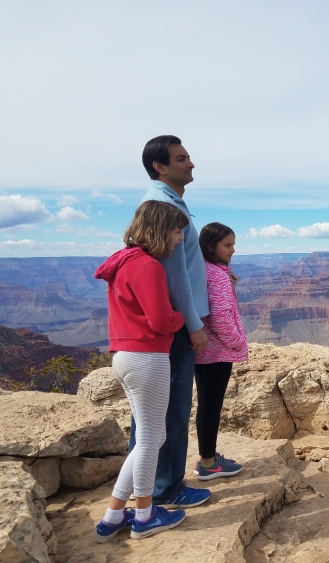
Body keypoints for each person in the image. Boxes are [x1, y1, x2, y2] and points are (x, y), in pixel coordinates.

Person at [93, 201, 189, 541]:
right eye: (177, 230)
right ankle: (145, 516)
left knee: (150, 436)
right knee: (151, 438)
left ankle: (113, 515)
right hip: (147, 357)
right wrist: (182, 318)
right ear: (162, 229)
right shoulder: (148, 266)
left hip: (126, 356)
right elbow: (161, 320)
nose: (179, 238)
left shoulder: (124, 261)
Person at [129, 135, 211, 509]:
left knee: (153, 413)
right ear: (160, 167)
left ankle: (145, 485)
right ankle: (165, 488)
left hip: (174, 322)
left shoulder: (170, 202)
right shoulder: (162, 205)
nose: (191, 163)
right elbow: (175, 274)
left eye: (189, 157)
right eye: (182, 158)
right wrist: (194, 325)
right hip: (177, 325)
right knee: (171, 410)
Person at [193, 223, 248, 480]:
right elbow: (221, 318)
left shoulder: (202, 269)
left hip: (203, 350)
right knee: (212, 406)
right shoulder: (216, 274)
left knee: (206, 404)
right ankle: (208, 462)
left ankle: (206, 457)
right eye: (227, 245)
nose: (233, 250)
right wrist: (236, 342)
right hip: (218, 351)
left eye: (233, 244)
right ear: (210, 246)